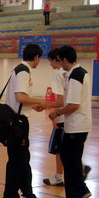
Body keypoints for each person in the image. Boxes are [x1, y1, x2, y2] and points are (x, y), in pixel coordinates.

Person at [1, 44, 49, 198]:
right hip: (17, 123)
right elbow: (20, 97)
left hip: (20, 120)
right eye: (39, 58)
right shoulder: (23, 71)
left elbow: (21, 100)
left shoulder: (19, 69)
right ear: (35, 57)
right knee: (16, 161)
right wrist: (39, 101)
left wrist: (32, 106)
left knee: (22, 160)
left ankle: (28, 195)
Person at [49, 45, 92, 198]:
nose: (60, 64)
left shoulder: (75, 76)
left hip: (77, 125)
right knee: (69, 158)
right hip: (77, 124)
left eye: (60, 61)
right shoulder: (81, 72)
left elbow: (73, 104)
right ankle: (81, 191)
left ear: (65, 59)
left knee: (71, 160)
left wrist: (57, 113)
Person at [43, 49, 66, 188]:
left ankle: (59, 176)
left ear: (55, 60)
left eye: (50, 61)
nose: (50, 64)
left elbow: (60, 100)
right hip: (71, 117)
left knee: (59, 149)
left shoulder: (58, 74)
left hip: (62, 117)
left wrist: (54, 116)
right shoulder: (70, 73)